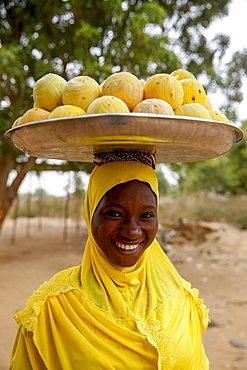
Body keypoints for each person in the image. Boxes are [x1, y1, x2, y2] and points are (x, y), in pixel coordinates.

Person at [9, 154, 209, 369]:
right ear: (90, 214)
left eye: (146, 215)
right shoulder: (53, 309)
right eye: (114, 214)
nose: (132, 231)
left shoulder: (182, 300)